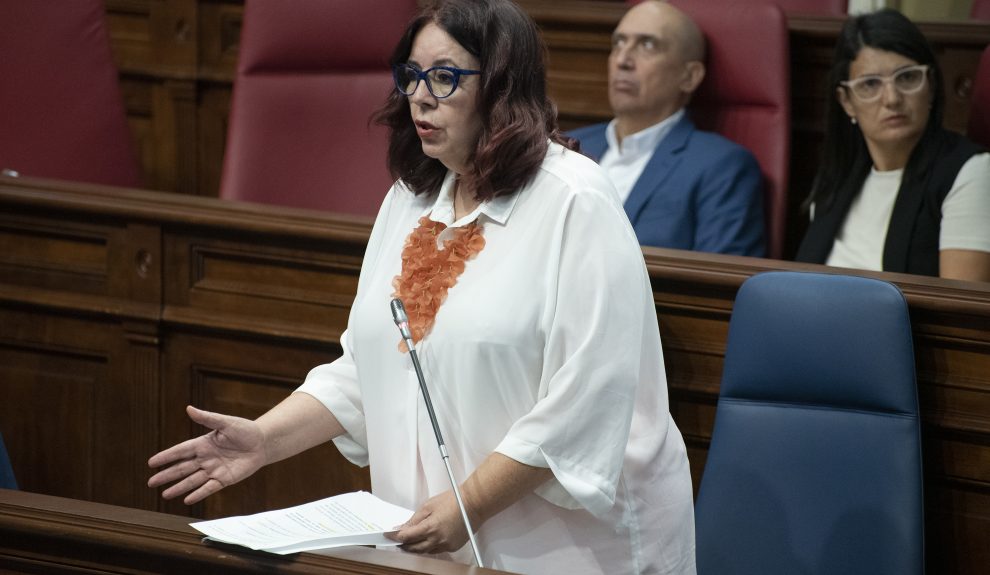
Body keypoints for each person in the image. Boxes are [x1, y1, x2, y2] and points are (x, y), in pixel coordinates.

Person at [147, 1, 697, 574]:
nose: (420, 96)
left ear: (503, 86)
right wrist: (265, 439)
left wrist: (472, 503)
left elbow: (587, 398)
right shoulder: (410, 199)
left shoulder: (575, 199)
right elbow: (369, 367)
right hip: (434, 538)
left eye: (444, 77)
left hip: (569, 550)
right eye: (411, 76)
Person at [795, 9, 990, 281]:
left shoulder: (968, 172)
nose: (891, 98)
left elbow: (960, 315)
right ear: (847, 102)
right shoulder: (838, 175)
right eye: (870, 84)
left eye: (907, 77)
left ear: (930, 85)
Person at [568, 0, 766, 257]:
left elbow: (720, 286)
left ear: (690, 76)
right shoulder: (569, 147)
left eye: (647, 45)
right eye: (618, 43)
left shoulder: (723, 167)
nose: (623, 60)